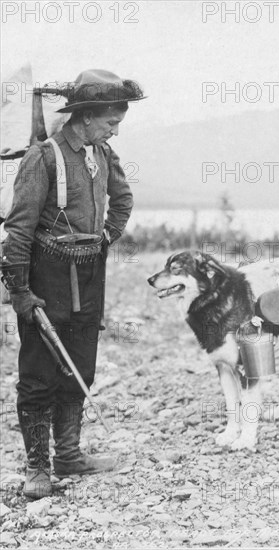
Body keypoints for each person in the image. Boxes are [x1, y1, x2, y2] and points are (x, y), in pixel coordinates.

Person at [1, 69, 145, 499]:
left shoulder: (102, 154)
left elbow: (122, 200)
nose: (114, 132)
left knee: (80, 363)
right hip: (46, 271)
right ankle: (37, 469)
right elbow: (19, 230)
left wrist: (105, 238)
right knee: (39, 371)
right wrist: (20, 292)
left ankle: (68, 455)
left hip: (89, 271)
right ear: (83, 117)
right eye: (109, 123)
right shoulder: (42, 157)